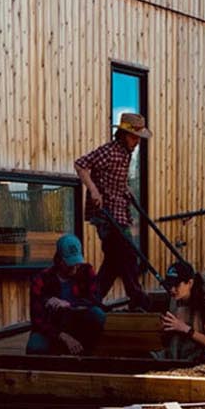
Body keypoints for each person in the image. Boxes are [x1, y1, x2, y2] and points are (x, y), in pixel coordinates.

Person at [74, 112, 151, 311]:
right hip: (106, 215)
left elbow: (114, 179)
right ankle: (137, 298)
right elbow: (80, 164)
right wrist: (93, 190)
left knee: (114, 261)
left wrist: (126, 189)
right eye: (134, 137)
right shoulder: (109, 151)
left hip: (120, 212)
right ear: (123, 135)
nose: (137, 142)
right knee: (128, 254)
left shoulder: (126, 153)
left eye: (139, 138)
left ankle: (93, 298)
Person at [27, 234, 106, 356]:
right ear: (59, 260)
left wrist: (70, 304)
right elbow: (37, 321)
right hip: (54, 328)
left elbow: (96, 301)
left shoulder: (86, 271)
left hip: (79, 325)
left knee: (97, 314)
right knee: (35, 347)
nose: (75, 267)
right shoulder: (42, 280)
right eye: (70, 263)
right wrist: (63, 336)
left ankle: (84, 351)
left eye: (77, 262)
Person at [158, 260, 205, 365]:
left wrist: (186, 329)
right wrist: (165, 331)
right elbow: (166, 343)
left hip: (201, 358)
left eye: (176, 285)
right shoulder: (170, 303)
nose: (172, 289)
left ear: (190, 283)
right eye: (169, 285)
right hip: (177, 356)